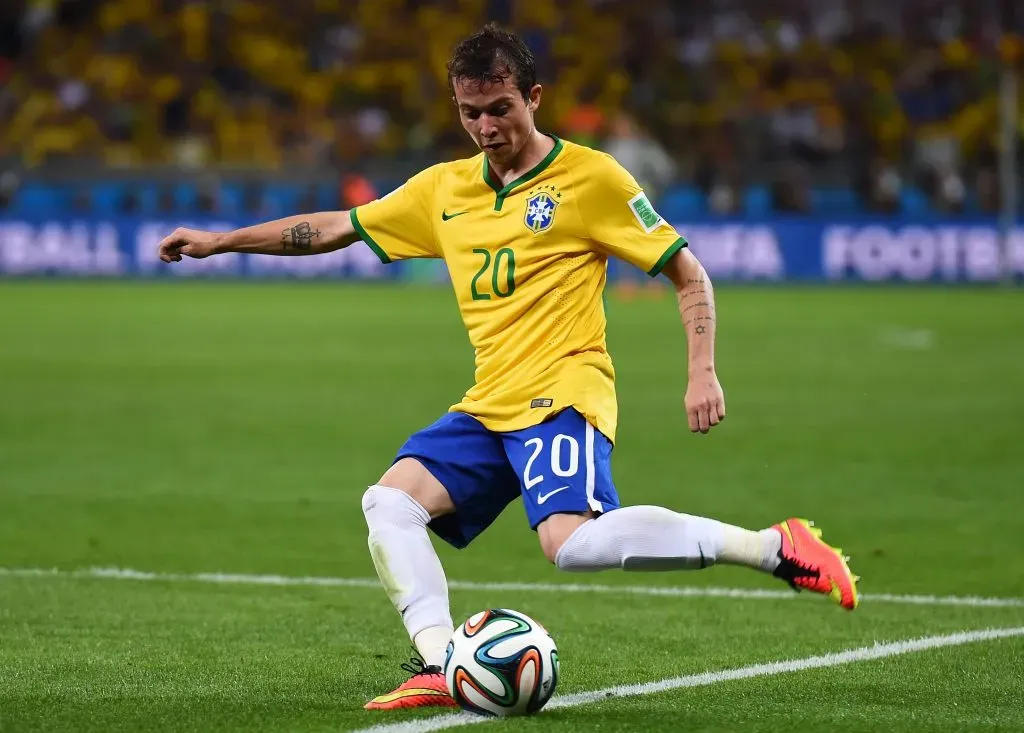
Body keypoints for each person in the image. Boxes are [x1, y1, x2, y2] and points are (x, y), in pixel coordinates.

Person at [157, 24, 859, 712]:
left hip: (563, 389)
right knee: (389, 503)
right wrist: (222, 241)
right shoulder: (443, 191)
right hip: (490, 401)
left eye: (501, 109)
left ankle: (774, 546)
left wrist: (701, 369)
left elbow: (689, 272)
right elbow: (337, 226)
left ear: (534, 98)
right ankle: (440, 664)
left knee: (572, 544)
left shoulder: (591, 178)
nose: (487, 126)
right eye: (471, 113)